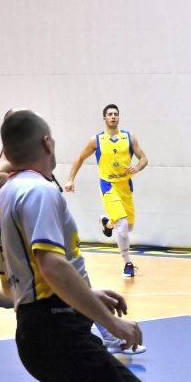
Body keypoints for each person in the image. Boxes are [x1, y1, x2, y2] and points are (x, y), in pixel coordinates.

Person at [0, 109, 147, 382]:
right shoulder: (39, 191)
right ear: (47, 143)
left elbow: (23, 287)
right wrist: (111, 322)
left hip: (39, 330)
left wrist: (86, 294)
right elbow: (52, 266)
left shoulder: (3, 199)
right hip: (58, 331)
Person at [65, 104, 148, 277]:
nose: (113, 116)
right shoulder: (96, 140)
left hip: (125, 186)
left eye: (116, 114)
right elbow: (80, 158)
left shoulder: (129, 137)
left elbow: (144, 158)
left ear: (119, 117)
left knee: (127, 227)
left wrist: (137, 167)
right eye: (110, 114)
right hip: (108, 185)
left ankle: (107, 224)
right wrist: (71, 179)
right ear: (104, 118)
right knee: (122, 226)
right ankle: (128, 263)